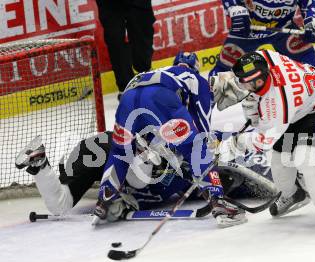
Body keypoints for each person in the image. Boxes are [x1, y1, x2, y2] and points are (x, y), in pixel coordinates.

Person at [15, 52, 248, 228]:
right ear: (222, 86)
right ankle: (220, 206)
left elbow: (123, 149)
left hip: (122, 106)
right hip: (155, 102)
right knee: (193, 147)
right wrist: (210, 171)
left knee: (68, 198)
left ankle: (102, 197)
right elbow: (200, 138)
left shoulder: (164, 74)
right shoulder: (201, 83)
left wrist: (105, 198)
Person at [210, 49, 315, 229]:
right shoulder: (263, 57)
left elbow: (265, 139)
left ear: (259, 80)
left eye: (247, 84)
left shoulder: (279, 101)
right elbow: (253, 65)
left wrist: (235, 144)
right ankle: (293, 194)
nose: (243, 88)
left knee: (305, 160)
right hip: (299, 106)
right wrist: (240, 90)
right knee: (278, 160)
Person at [209, 0, 315, 78]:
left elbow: (314, 3)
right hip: (248, 31)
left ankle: (310, 102)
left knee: (310, 65)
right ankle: (200, 107)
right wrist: (236, 9)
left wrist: (314, 21)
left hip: (283, 28)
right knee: (222, 74)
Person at [96, 0, 156, 99]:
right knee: (115, 40)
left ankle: (145, 71)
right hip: (109, 4)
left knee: (142, 40)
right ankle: (125, 87)